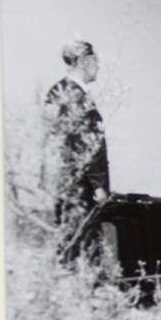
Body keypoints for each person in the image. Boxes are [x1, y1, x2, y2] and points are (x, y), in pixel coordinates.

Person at [44, 39, 109, 228]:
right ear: (84, 62)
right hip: (81, 187)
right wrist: (98, 185)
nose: (98, 67)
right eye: (95, 61)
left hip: (64, 183)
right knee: (82, 236)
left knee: (70, 235)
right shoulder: (76, 96)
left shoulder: (58, 91)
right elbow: (85, 142)